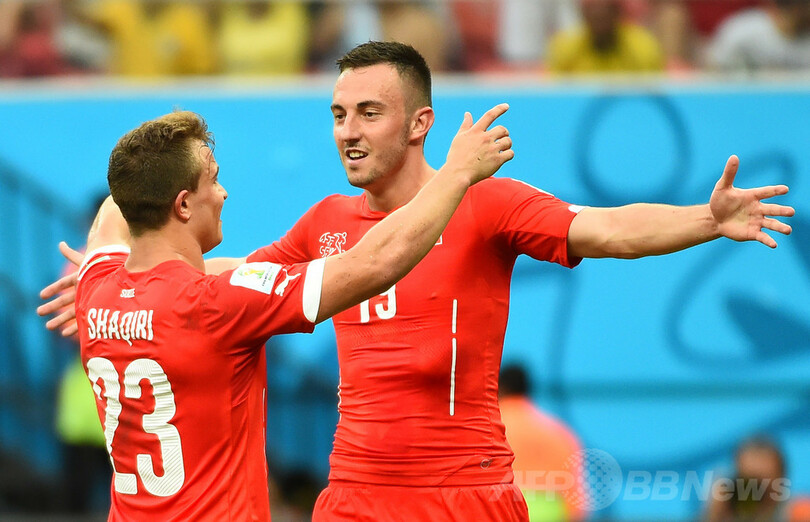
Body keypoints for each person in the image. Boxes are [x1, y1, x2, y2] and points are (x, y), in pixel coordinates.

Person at [41, 41, 794, 521]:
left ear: (419, 123)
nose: (348, 130)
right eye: (339, 113)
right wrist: (141, 279)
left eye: (369, 112)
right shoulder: (325, 221)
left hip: (465, 494)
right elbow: (236, 278)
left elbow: (608, 229)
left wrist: (706, 218)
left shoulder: (488, 203)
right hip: (355, 497)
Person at [37, 106, 513, 520]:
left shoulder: (95, 285)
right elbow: (376, 263)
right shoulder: (217, 303)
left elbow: (114, 212)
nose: (223, 193)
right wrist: (456, 173)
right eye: (213, 180)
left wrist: (158, 163)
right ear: (182, 204)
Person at [498, 364, 586, 521]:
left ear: (499, 389)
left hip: (505, 510)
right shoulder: (559, 431)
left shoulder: (492, 430)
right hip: (552, 513)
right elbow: (575, 498)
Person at [547, 0, 664, 74]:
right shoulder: (564, 47)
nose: (599, 14)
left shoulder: (643, 47)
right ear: (583, 12)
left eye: (606, 8)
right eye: (592, 8)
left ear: (618, 12)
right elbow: (555, 94)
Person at [704, 435, 792, 521]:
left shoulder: (793, 514)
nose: (753, 492)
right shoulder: (727, 513)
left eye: (761, 483)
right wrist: (715, 515)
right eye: (746, 483)